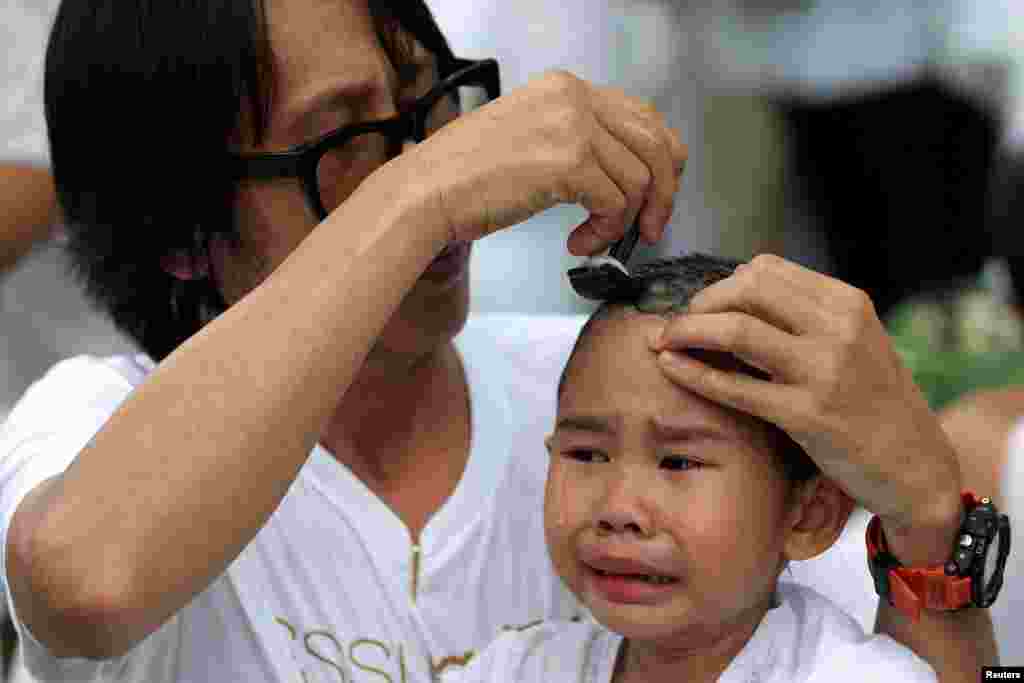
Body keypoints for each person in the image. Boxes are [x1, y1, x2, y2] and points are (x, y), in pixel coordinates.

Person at [0, 1, 999, 681]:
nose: (443, 172)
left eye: (431, 108)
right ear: (182, 234)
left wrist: (923, 512)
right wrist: (417, 195)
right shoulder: (97, 415)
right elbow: (87, 583)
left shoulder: (624, 389)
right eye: (345, 141)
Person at [453, 253, 936, 682]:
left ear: (808, 516)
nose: (619, 508)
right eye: (587, 454)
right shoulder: (516, 668)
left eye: (678, 462)